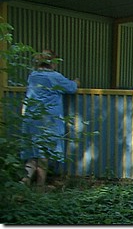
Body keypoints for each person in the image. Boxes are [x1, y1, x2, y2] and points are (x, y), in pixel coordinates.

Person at [20, 49, 79, 188]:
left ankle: (24, 182)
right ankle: (40, 186)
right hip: (48, 120)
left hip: (31, 116)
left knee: (33, 151)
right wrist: (76, 81)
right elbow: (71, 88)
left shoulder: (33, 75)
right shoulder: (54, 77)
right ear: (52, 63)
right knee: (44, 152)